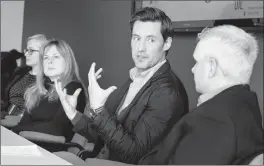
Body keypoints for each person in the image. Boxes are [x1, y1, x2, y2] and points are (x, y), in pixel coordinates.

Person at [54, 7, 189, 164]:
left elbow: (134, 154)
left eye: (151, 39)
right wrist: (73, 113)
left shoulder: (167, 93)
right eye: (136, 38)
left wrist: (99, 111)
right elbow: (102, 135)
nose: (140, 48)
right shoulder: (135, 79)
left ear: (167, 43)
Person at [138, 25, 264, 165]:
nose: (193, 69)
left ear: (211, 67)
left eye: (197, 62)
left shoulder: (212, 121)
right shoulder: (247, 105)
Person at [12, 39, 87, 148]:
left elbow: (57, 129)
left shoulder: (73, 88)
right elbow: (24, 123)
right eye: (46, 58)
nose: (49, 61)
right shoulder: (38, 89)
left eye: (56, 57)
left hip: (52, 149)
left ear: (67, 61)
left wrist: (17, 130)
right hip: (26, 143)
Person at [1, 35, 47, 118]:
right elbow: (6, 101)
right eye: (26, 50)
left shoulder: (48, 80)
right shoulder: (20, 72)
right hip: (6, 115)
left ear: (43, 53)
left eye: (31, 50)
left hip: (24, 122)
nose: (25, 54)